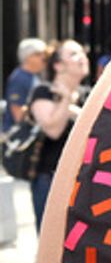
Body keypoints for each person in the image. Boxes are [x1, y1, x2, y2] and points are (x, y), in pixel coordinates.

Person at [28, 39, 89, 231]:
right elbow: (53, 130)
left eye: (82, 52)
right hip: (50, 179)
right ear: (58, 65)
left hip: (83, 179)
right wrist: (66, 100)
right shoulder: (43, 92)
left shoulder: (88, 95)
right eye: (73, 54)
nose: (82, 58)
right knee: (52, 237)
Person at [3, 37, 47, 130]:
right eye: (38, 54)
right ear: (27, 57)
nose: (43, 58)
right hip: (16, 134)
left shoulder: (33, 76)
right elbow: (18, 115)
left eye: (44, 54)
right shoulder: (19, 78)